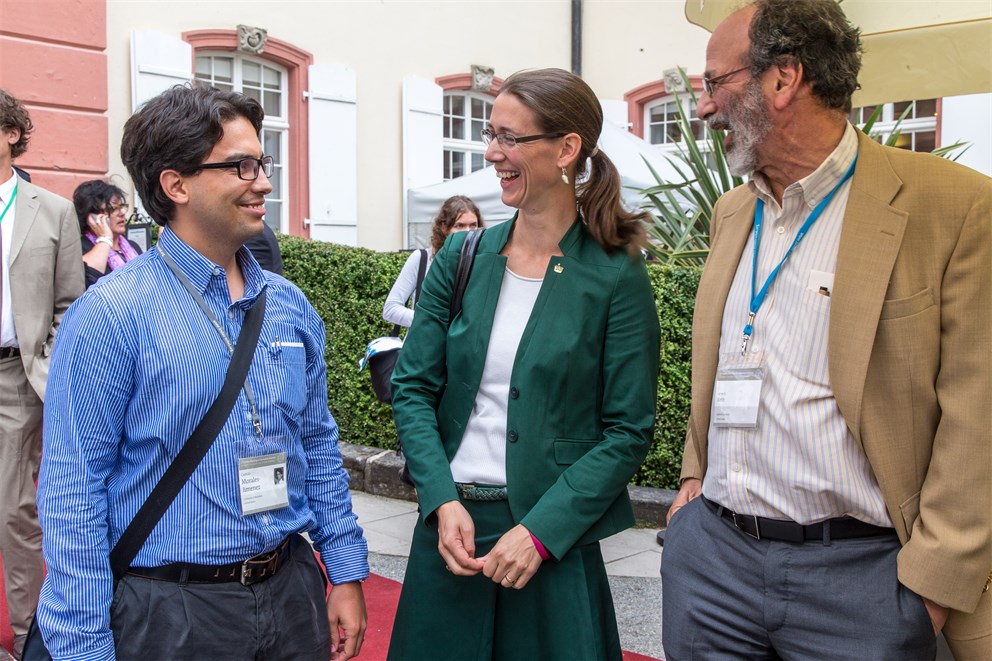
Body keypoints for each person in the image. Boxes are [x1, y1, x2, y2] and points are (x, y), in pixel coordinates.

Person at [661, 1, 991, 659]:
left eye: (715, 83)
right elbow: (721, 360)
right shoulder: (732, 211)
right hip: (714, 565)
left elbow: (978, 414)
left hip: (861, 580)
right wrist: (692, 488)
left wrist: (927, 590)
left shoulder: (954, 205)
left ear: (783, 79)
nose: (703, 108)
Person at [36, 85, 369, 660]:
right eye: (241, 166)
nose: (263, 182)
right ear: (176, 184)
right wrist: (82, 648)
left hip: (293, 593)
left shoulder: (290, 306)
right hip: (172, 611)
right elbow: (73, 497)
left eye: (261, 163)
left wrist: (343, 568)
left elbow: (315, 444)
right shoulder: (110, 316)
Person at [387, 68, 660, 661]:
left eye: (511, 138)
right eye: (491, 135)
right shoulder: (463, 255)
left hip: (549, 544)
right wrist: (439, 498)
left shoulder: (616, 274)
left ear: (567, 149)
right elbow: (411, 387)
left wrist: (542, 532)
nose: (492, 153)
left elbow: (627, 429)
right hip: (449, 535)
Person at [0, 88, 84, 660]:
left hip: (14, 379)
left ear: (11, 133)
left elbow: (68, 306)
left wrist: (45, 371)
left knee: (14, 512)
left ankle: (29, 634)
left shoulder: (51, 210)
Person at [382, 195, 482, 329]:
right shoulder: (422, 259)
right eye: (459, 226)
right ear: (444, 228)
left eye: (473, 225)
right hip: (425, 345)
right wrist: (433, 322)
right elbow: (391, 309)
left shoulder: (482, 261)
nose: (467, 232)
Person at [73, 179, 143, 288]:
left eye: (122, 207)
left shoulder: (133, 246)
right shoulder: (80, 247)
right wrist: (105, 238)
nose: (122, 213)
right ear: (92, 216)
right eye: (113, 209)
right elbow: (87, 280)